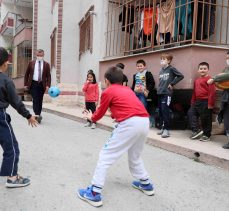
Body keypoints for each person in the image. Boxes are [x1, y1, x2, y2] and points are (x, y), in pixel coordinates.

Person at [78, 66, 154, 207]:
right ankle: (146, 183)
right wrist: (112, 115)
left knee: (105, 156)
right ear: (121, 79)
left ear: (107, 80)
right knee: (135, 156)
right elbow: (123, 107)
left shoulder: (108, 91)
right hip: (144, 122)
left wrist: (91, 117)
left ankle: (94, 193)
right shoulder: (127, 90)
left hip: (129, 124)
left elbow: (99, 112)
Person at [0, 47, 38, 188]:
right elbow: (16, 101)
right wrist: (28, 115)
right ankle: (12, 178)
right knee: (12, 148)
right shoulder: (5, 80)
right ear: (5, 63)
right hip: (0, 117)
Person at [157, 53, 184, 138]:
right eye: (161, 59)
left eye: (164, 59)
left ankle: (166, 130)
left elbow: (180, 76)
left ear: (168, 61)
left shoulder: (171, 69)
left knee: (165, 111)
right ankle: (162, 127)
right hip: (160, 93)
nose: (162, 61)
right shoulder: (161, 70)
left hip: (167, 93)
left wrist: (172, 83)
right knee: (161, 111)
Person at [189, 62, 216, 141]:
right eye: (201, 69)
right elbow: (194, 92)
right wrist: (192, 102)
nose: (202, 70)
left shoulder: (210, 80)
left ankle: (207, 135)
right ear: (198, 70)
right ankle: (197, 130)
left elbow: (212, 92)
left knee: (205, 118)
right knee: (191, 113)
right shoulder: (196, 80)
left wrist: (210, 104)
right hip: (197, 101)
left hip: (206, 101)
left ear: (208, 70)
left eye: (205, 69)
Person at [208, 51, 229, 148]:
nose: (227, 60)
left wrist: (214, 78)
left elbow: (223, 76)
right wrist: (216, 82)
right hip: (226, 97)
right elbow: (222, 83)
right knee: (227, 120)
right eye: (227, 58)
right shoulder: (226, 68)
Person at [24, 49, 51, 123]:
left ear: (43, 55)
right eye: (38, 55)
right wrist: (25, 84)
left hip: (42, 84)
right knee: (35, 99)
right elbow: (27, 74)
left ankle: (38, 114)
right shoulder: (31, 63)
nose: (39, 57)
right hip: (33, 84)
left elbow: (48, 76)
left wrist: (48, 85)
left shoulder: (46, 64)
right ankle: (37, 115)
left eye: (41, 55)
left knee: (40, 100)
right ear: (36, 55)